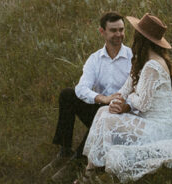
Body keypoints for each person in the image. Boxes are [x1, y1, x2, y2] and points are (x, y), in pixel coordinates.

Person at [69, 13, 172, 184]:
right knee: (104, 112)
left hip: (161, 125)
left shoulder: (153, 65)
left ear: (140, 38)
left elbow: (142, 104)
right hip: (147, 120)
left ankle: (89, 175)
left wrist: (127, 101)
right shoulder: (142, 61)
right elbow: (125, 89)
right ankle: (91, 170)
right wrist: (117, 101)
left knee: (108, 119)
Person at [49, 11, 133, 164]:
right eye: (113, 30)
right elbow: (81, 88)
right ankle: (65, 149)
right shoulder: (95, 59)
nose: (119, 34)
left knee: (102, 116)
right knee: (68, 94)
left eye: (121, 30)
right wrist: (102, 98)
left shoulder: (132, 57)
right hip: (102, 106)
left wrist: (119, 103)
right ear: (102, 32)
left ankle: (78, 161)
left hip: (122, 111)